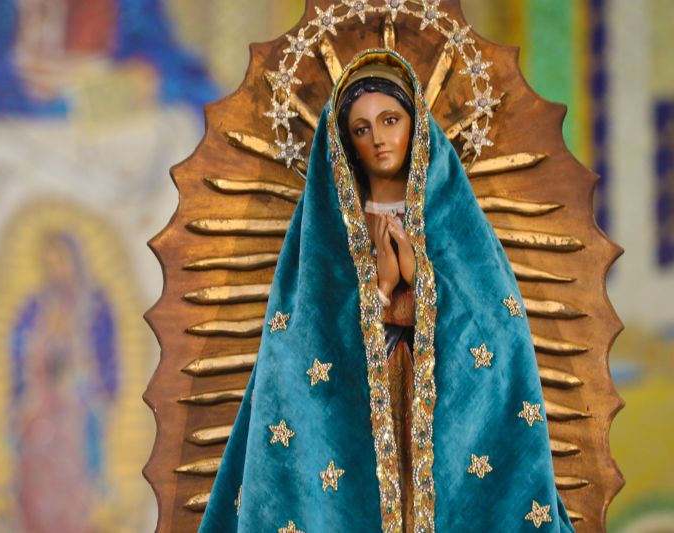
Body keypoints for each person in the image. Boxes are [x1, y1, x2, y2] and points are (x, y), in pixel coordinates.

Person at [199, 49, 574, 532]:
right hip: (352, 417)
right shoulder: (330, 227)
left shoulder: (451, 218)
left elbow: (499, 329)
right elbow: (299, 344)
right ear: (346, 142)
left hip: (444, 416)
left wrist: (423, 281)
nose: (378, 139)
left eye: (390, 120)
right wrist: (378, 290)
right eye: (361, 128)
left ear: (415, 125)